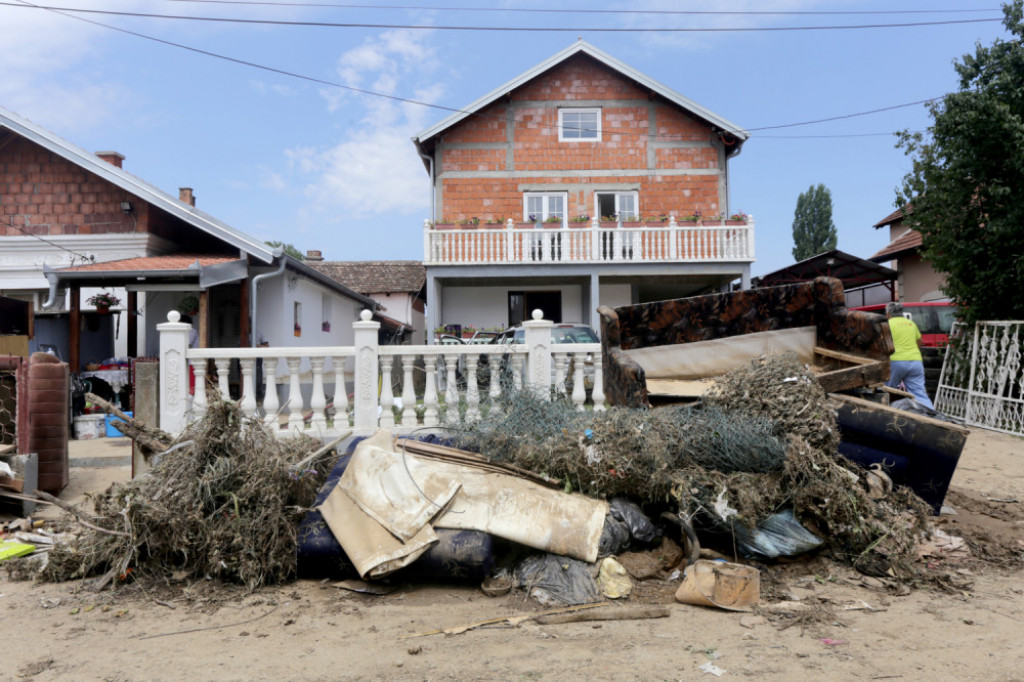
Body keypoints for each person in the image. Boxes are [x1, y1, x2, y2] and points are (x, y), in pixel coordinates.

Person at [885, 302, 935, 409]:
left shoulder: (887, 324)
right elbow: (920, 342)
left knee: (886, 390)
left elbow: (881, 344)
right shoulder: (911, 324)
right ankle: (931, 416)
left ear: (888, 313)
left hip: (895, 361)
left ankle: (884, 417)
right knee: (919, 393)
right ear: (902, 313)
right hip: (915, 361)